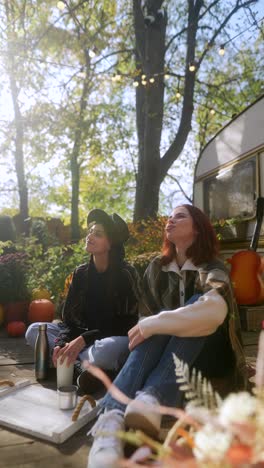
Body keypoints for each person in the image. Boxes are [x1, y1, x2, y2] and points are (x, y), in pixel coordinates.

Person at [88, 204, 247, 468]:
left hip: (211, 358)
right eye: (169, 217)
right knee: (157, 321)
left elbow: (214, 312)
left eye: (180, 217)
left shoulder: (213, 268)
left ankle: (152, 396)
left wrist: (157, 323)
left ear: (197, 228)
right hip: (168, 361)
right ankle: (111, 420)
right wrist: (154, 323)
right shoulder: (156, 269)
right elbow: (143, 328)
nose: (170, 221)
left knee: (190, 309)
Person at [26, 209, 141, 392]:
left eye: (98, 234)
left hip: (107, 341)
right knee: (35, 331)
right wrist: (61, 343)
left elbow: (128, 323)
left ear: (111, 243)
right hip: (82, 341)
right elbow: (69, 320)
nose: (90, 236)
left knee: (107, 350)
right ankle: (85, 370)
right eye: (90, 232)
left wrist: (84, 339)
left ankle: (72, 365)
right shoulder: (81, 273)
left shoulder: (127, 274)